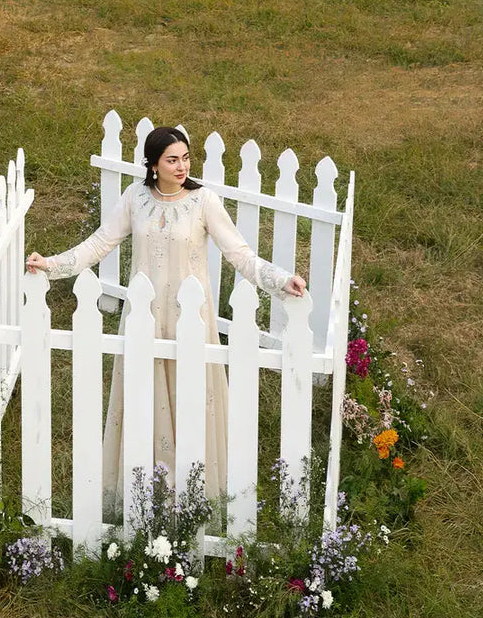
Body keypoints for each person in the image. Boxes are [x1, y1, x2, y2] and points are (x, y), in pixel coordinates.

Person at [26, 126, 306, 519]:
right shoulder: (135, 198)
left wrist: (280, 280)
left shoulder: (204, 201)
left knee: (193, 398)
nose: (181, 166)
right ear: (153, 164)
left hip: (191, 320)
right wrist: (50, 265)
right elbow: (99, 244)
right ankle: (147, 489)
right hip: (144, 319)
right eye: (172, 159)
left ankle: (194, 494)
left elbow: (240, 254)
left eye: (185, 158)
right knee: (144, 398)